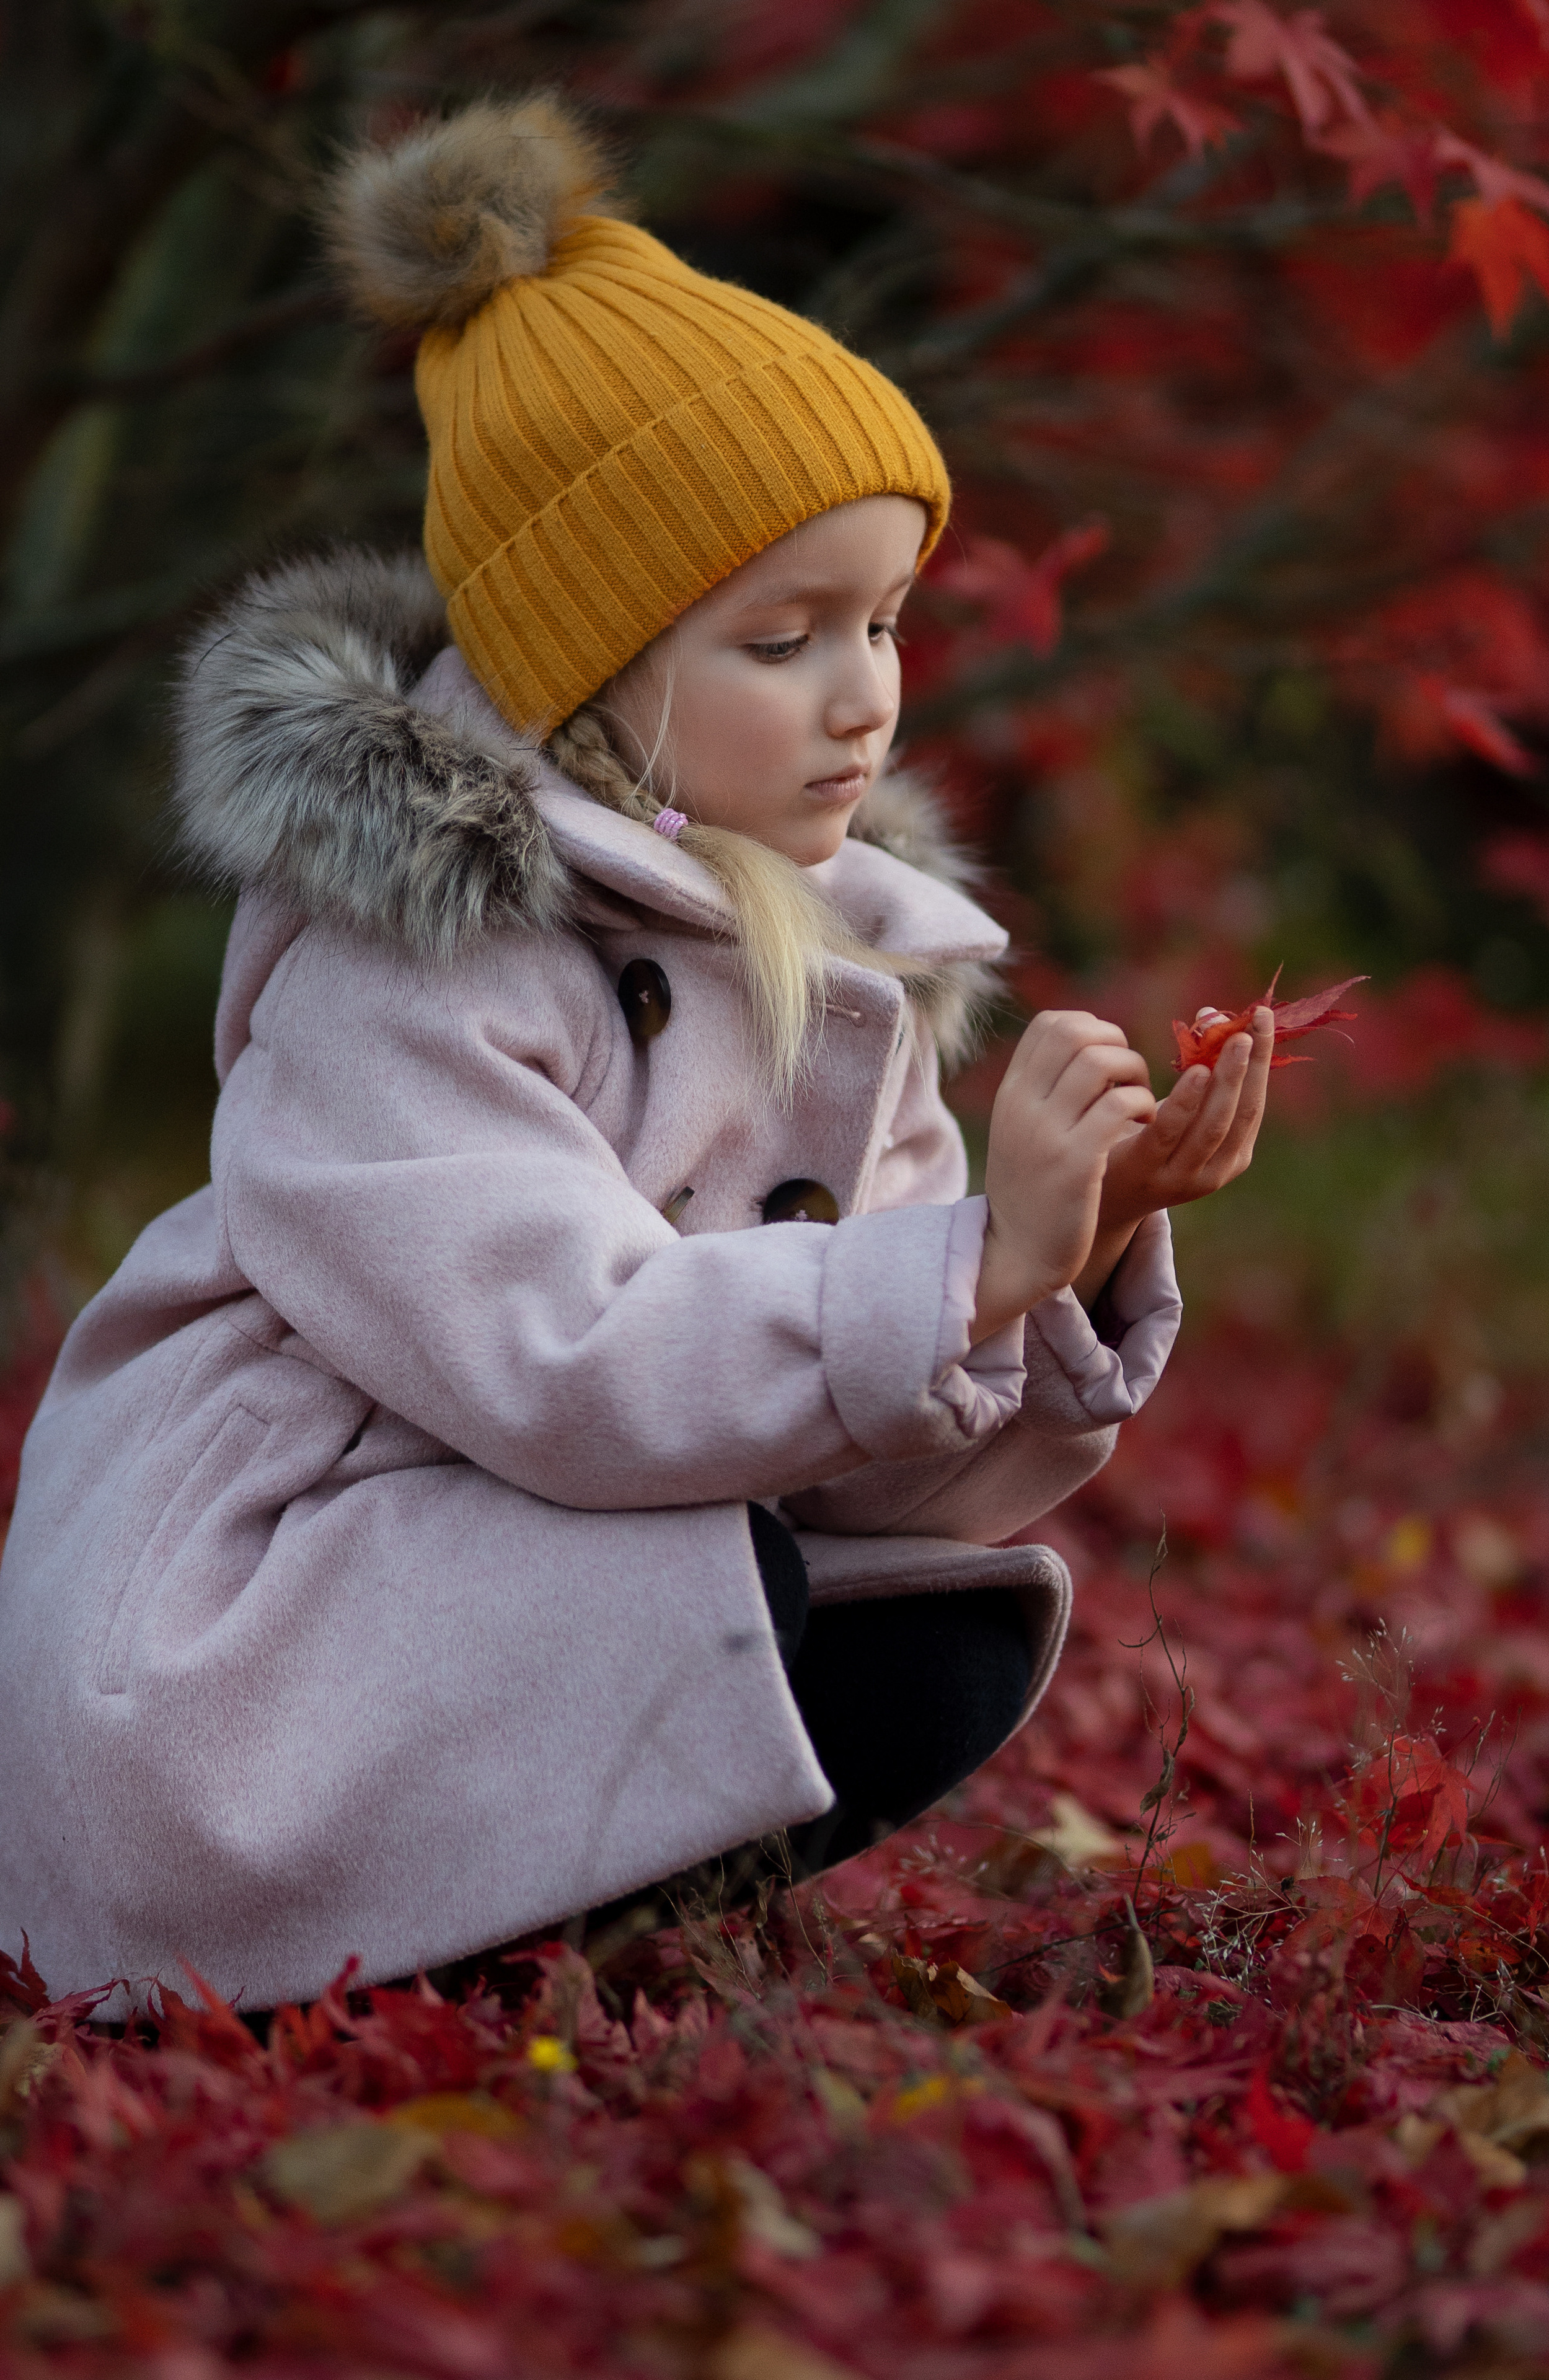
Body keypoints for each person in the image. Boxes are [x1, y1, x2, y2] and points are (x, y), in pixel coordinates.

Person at [0, 95, 1272, 2013]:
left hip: (500, 1577)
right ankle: (371, 1943)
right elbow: (565, 1367)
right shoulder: (416, 964)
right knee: (728, 1600)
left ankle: (530, 1930)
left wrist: (1067, 1252)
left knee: (935, 1641)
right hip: (246, 1641)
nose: (867, 699)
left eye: (888, 620)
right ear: (595, 667)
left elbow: (856, 1461)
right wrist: (966, 1268)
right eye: (783, 641)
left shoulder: (844, 975)